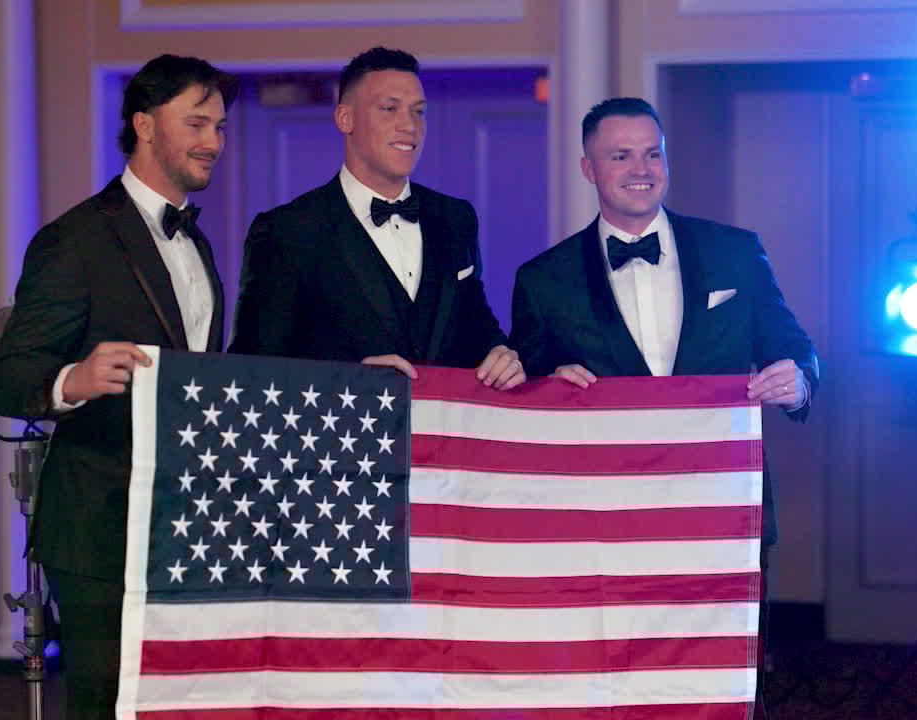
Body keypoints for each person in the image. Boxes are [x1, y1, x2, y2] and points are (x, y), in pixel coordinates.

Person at [510, 97, 818, 718]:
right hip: (601, 522)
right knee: (609, 686)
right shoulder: (543, 278)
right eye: (620, 155)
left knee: (725, 689)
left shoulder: (736, 251)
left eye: (652, 153)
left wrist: (800, 381)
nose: (641, 168)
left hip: (724, 510)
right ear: (588, 168)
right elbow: (524, 390)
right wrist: (547, 386)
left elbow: (792, 347)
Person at [0, 54, 236, 720]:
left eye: (219, 126)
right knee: (103, 704)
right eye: (197, 123)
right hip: (97, 526)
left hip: (183, 523)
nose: (214, 141)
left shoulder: (199, 244)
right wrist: (74, 378)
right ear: (145, 125)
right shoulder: (74, 240)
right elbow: (9, 377)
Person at [227, 47, 523, 389]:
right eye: (389, 108)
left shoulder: (456, 218)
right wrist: (347, 379)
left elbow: (474, 322)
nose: (409, 125)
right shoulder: (287, 231)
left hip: (446, 422)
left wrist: (500, 352)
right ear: (345, 119)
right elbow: (251, 367)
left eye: (418, 111)